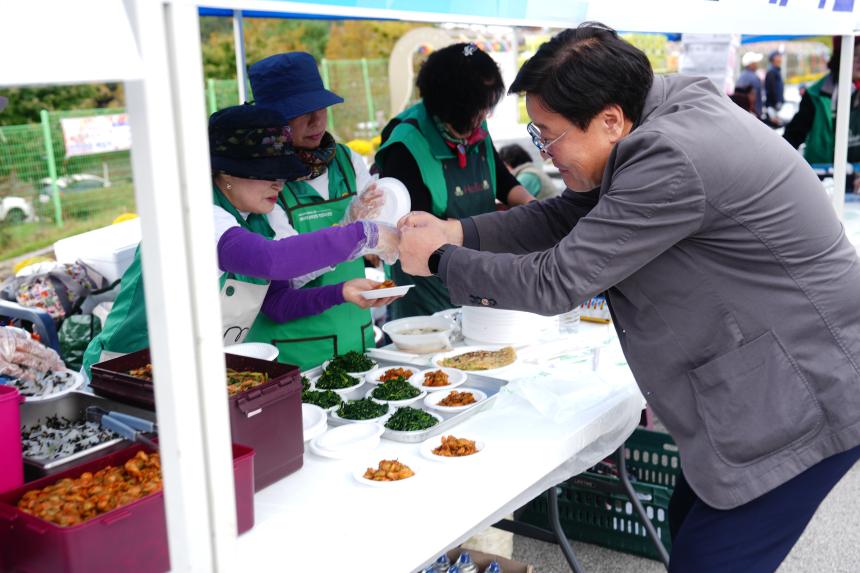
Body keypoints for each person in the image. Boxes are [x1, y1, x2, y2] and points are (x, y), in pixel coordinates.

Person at [396, 24, 860, 572]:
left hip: (801, 392)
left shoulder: (671, 154)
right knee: (688, 523)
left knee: (709, 557)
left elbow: (557, 282)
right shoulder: (657, 114)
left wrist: (439, 260)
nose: (544, 151)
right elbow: (569, 213)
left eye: (549, 135)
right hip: (767, 381)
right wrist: (459, 233)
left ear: (610, 119)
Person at [82, 105, 399, 377]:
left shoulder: (261, 219)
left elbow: (277, 304)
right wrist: (363, 233)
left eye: (282, 172)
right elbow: (270, 260)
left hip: (193, 372)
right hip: (127, 369)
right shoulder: (191, 211)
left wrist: (342, 292)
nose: (279, 182)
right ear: (227, 174)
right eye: (266, 172)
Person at [244, 52, 391, 369]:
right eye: (301, 112)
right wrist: (349, 230)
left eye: (320, 107)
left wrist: (395, 233)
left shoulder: (348, 160)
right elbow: (285, 273)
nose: (317, 121)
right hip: (296, 354)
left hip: (357, 335)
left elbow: (380, 230)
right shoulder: (260, 181)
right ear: (274, 120)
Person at [374, 43, 535, 319]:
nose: (485, 116)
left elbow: (503, 182)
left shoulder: (475, 125)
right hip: (428, 294)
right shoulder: (405, 146)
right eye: (480, 110)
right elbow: (412, 232)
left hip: (481, 277)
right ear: (451, 108)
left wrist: (537, 211)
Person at [784, 36, 860, 165]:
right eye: (855, 55)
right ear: (841, 57)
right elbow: (794, 135)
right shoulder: (816, 94)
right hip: (825, 174)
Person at [736, 51, 764, 119]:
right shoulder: (754, 77)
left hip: (742, 113)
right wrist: (758, 113)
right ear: (750, 64)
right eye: (755, 62)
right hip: (753, 114)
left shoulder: (741, 76)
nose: (756, 64)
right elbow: (756, 99)